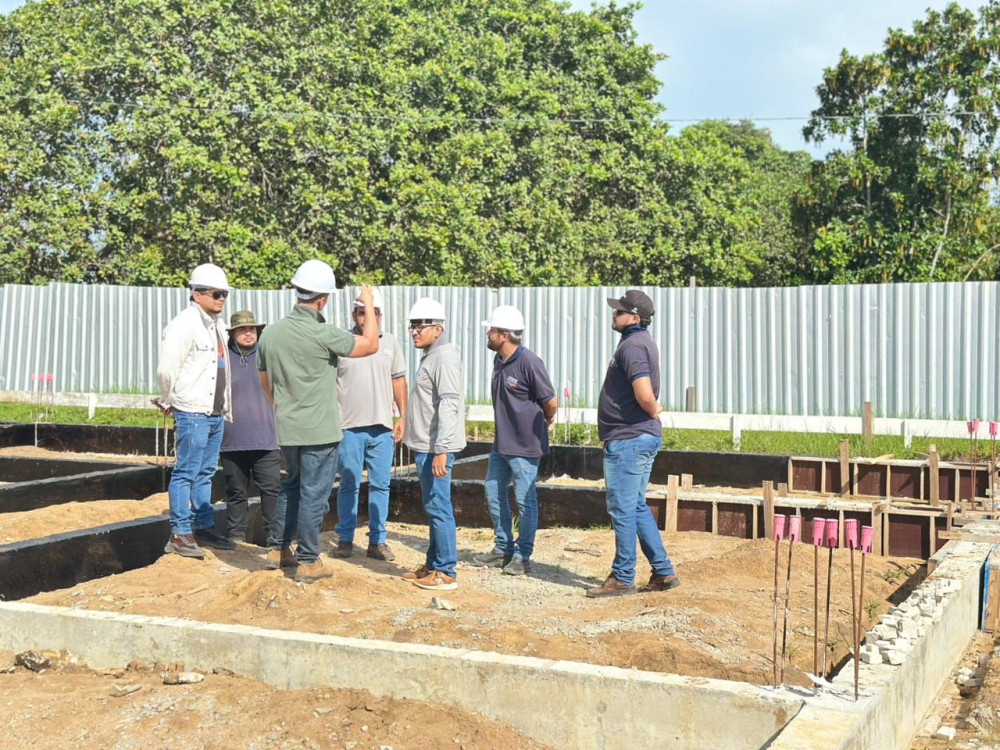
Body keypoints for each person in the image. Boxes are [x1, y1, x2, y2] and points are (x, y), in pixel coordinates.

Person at [257, 260, 379, 583]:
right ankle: (309, 561)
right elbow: (371, 345)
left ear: (297, 292)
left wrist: (285, 408)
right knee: (314, 493)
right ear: (323, 299)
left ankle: (278, 549)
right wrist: (367, 302)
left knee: (291, 485)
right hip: (320, 431)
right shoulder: (324, 333)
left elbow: (265, 383)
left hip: (288, 429)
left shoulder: (270, 334)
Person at [586, 289, 680, 598]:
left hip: (629, 440)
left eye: (619, 312)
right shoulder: (638, 343)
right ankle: (663, 573)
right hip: (636, 438)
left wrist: (653, 408)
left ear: (635, 318)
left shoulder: (633, 347)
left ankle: (623, 576)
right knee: (636, 506)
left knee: (622, 508)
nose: (614, 314)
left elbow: (643, 392)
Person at [155, 262, 236, 559]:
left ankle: (202, 527)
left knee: (204, 472)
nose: (221, 299)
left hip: (214, 412)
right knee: (186, 472)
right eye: (216, 293)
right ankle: (179, 533)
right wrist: (167, 398)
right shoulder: (184, 325)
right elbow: (167, 368)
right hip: (192, 411)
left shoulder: (217, 326)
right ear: (196, 294)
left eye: (224, 294)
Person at [473, 305, 557, 576]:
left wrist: (542, 423)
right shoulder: (499, 360)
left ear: (505, 335)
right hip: (502, 443)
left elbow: (550, 402)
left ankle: (523, 555)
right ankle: (502, 548)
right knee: (493, 492)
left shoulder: (529, 362)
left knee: (524, 499)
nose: (488, 333)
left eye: (492, 330)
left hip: (524, 445)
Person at [333, 288, 408, 562]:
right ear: (355, 314)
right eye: (362, 312)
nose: (367, 317)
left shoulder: (390, 343)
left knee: (381, 485)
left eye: (372, 312)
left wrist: (403, 417)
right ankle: (345, 539)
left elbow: (398, 379)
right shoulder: (343, 342)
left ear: (380, 315)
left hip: (382, 428)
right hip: (350, 427)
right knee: (349, 484)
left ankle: (378, 541)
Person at [401, 297, 466, 591]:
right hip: (426, 447)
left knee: (440, 506)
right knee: (432, 505)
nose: (415, 331)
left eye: (421, 326)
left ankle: (446, 571)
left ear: (438, 329)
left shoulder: (444, 358)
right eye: (413, 326)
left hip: (436, 449)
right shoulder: (431, 356)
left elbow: (450, 404)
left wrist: (442, 450)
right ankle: (433, 563)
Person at [219, 310, 281, 546]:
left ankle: (277, 540)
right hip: (231, 440)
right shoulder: (222, 360)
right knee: (236, 493)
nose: (248, 333)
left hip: (267, 439)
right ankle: (237, 539)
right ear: (233, 333)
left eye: (252, 329)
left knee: (272, 492)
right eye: (242, 329)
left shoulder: (269, 358)